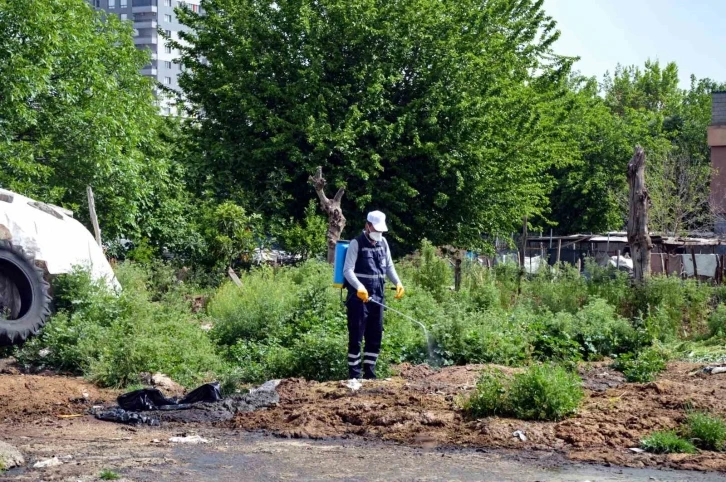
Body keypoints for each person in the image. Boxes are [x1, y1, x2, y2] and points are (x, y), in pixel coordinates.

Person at [343, 210, 404, 380]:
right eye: (376, 230)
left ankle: (370, 374)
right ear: (367, 226)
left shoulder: (383, 243)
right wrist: (359, 287)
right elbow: (347, 270)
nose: (379, 234)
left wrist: (398, 283)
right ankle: (354, 376)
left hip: (378, 297)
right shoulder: (357, 243)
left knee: (375, 335)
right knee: (356, 336)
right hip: (358, 298)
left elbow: (389, 267)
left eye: (381, 231)